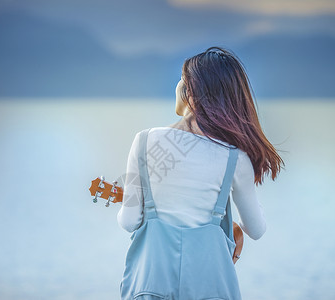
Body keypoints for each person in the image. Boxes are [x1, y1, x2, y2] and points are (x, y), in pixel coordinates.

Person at [117, 46, 285, 299]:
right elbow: (256, 229)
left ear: (189, 91)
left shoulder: (144, 142)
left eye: (181, 80)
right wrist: (234, 228)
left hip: (151, 286)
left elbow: (129, 222)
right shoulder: (234, 157)